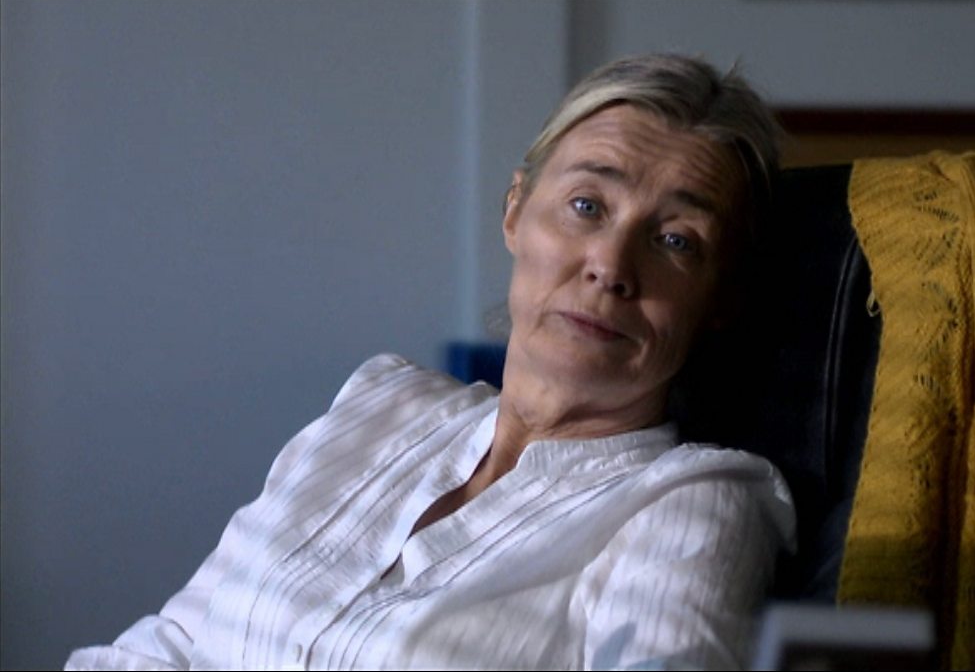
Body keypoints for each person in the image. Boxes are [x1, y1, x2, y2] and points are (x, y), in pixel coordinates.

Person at [66, 52, 796, 671]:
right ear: (515, 211)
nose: (610, 265)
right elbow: (171, 643)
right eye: (587, 205)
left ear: (721, 299)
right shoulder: (379, 404)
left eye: (676, 241)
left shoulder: (694, 503)